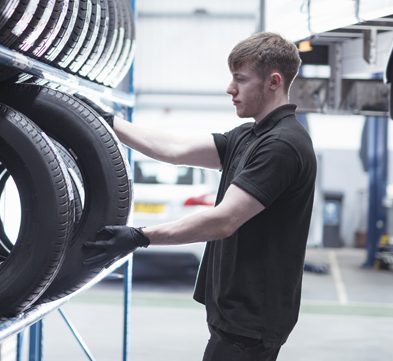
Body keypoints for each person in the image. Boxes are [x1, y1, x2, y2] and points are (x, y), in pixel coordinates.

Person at [82, 32, 317, 361]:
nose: (229, 89)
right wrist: (109, 122)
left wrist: (141, 237)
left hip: (251, 320)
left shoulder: (281, 145)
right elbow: (174, 150)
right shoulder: (251, 136)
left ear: (273, 82)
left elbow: (223, 221)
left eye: (240, 79)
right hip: (235, 312)